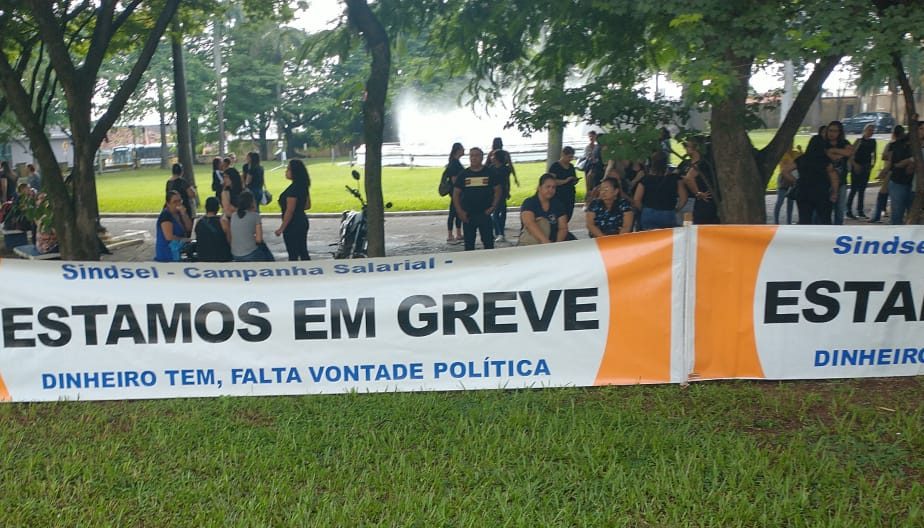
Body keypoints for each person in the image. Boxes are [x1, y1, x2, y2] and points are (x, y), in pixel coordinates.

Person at [452, 147, 502, 251]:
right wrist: (460, 211)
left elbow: (498, 190)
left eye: (477, 155)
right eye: (471, 155)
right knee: (469, 245)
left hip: (485, 213)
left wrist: (493, 206)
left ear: (482, 157)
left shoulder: (489, 173)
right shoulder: (463, 174)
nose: (474, 158)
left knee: (488, 243)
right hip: (468, 215)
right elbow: (456, 194)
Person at [795, 125, 840, 225]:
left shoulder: (802, 159)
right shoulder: (825, 160)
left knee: (804, 220)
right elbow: (834, 177)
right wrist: (835, 192)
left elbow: (785, 170)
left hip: (803, 192)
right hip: (821, 192)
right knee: (825, 220)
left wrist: (796, 181)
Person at [633, 151, 687, 230]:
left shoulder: (646, 180)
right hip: (668, 212)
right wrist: (677, 209)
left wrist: (644, 209)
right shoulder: (674, 179)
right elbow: (684, 198)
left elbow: (636, 199)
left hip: (649, 212)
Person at [274, 159, 311, 260]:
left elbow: (289, 211)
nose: (286, 172)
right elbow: (307, 205)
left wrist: (281, 228)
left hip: (293, 224)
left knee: (293, 253)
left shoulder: (292, 190)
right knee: (303, 250)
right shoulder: (303, 186)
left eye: (288, 169)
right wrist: (299, 207)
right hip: (302, 220)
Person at [519, 173, 569, 245]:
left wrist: (557, 244)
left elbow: (563, 228)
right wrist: (545, 241)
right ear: (539, 188)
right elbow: (529, 223)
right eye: (548, 187)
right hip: (532, 242)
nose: (550, 190)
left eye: (553, 187)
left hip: (554, 241)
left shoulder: (558, 204)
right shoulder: (529, 203)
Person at [680, 136, 720, 224]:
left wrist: (697, 193)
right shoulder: (687, 163)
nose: (685, 148)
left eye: (687, 146)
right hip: (691, 200)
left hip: (703, 202)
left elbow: (689, 178)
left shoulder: (701, 163)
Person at [869, 125, 904, 223]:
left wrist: (882, 173)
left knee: (884, 194)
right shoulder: (904, 145)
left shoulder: (892, 145)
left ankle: (877, 215)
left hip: (891, 172)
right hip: (897, 172)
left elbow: (886, 158)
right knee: (890, 196)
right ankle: (881, 214)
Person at [229, 190, 272, 262]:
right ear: (252, 202)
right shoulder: (255, 216)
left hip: (235, 254)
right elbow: (259, 239)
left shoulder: (233, 215)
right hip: (250, 254)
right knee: (267, 254)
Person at [887, 122, 917, 225]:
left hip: (915, 185)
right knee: (897, 214)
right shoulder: (897, 145)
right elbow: (893, 164)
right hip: (898, 182)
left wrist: (909, 161)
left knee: (913, 216)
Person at [824, 121, 853, 225]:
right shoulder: (823, 143)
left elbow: (849, 152)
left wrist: (833, 150)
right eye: (830, 130)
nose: (832, 133)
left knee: (840, 210)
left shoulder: (844, 143)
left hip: (841, 182)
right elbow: (831, 156)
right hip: (826, 182)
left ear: (840, 132)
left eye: (835, 131)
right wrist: (841, 153)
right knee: (825, 210)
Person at [846, 124, 877, 219]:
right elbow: (851, 154)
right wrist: (854, 165)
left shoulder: (873, 142)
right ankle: (848, 210)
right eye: (869, 130)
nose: (871, 132)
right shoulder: (859, 141)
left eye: (872, 130)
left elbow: (874, 154)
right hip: (857, 166)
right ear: (865, 131)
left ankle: (860, 210)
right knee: (854, 189)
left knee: (862, 190)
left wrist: (873, 164)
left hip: (866, 167)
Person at [154, 190, 192, 262]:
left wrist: (184, 214)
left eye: (180, 201)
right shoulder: (166, 215)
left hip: (177, 250)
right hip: (167, 253)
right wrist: (183, 239)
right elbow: (169, 236)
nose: (178, 204)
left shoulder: (179, 213)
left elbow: (189, 228)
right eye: (175, 202)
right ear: (168, 203)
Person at [489, 149, 517, 243]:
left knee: (500, 212)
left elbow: (506, 182)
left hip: (502, 193)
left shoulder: (504, 169)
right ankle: (499, 232)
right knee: (496, 213)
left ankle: (500, 233)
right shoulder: (491, 168)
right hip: (494, 193)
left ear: (497, 158)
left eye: (493, 156)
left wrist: (507, 191)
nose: (491, 158)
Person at [193, 196, 231, 262]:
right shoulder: (223, 222)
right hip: (220, 257)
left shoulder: (199, 222)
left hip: (203, 257)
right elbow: (229, 240)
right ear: (217, 208)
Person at [548, 146, 579, 221]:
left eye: (572, 157)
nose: (570, 159)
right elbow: (551, 181)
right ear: (563, 155)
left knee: (568, 213)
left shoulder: (571, 166)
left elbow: (573, 176)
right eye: (569, 157)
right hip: (559, 194)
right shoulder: (555, 166)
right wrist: (565, 181)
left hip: (570, 194)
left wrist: (574, 181)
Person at [444, 143, 465, 243]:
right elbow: (454, 179)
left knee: (457, 211)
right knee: (453, 211)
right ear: (458, 150)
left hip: (456, 191)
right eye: (462, 149)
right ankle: (450, 234)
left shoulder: (454, 162)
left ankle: (458, 233)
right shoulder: (454, 163)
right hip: (455, 191)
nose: (464, 150)